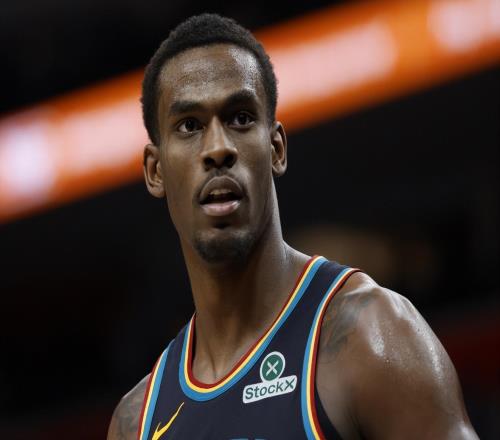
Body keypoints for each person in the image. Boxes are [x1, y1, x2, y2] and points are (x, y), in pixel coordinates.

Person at [107, 14, 477, 440]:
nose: (218, 148)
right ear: (155, 171)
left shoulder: (370, 336)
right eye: (190, 126)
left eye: (240, 118)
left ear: (277, 149)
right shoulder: (136, 421)